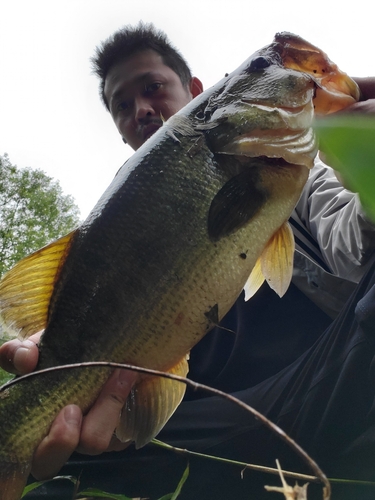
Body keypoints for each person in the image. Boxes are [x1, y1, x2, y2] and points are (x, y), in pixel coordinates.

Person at [2, 23, 375, 500]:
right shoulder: (114, 222)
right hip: (209, 425)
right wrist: (55, 363)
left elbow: (353, 250)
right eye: (122, 105)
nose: (140, 109)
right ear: (119, 129)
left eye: (153, 87)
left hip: (320, 380)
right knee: (61, 450)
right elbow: (74, 317)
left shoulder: (291, 163)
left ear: (199, 91)